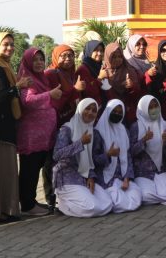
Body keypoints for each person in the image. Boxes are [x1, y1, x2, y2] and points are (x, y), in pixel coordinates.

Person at [0, 32, 30, 221]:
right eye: (5, 44)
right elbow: (0, 96)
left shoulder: (5, 67)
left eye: (11, 45)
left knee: (4, 169)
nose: (9, 48)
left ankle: (3, 209)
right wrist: (18, 86)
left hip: (4, 126)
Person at [52, 98, 114, 217]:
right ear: (80, 109)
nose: (90, 113)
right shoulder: (66, 129)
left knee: (108, 203)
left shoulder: (93, 133)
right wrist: (80, 143)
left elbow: (92, 160)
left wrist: (91, 175)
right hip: (67, 177)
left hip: (84, 177)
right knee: (92, 207)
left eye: (94, 110)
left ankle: (69, 203)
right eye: (87, 109)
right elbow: (57, 155)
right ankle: (62, 205)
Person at [16, 48, 58, 217]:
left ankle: (31, 201)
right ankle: (27, 205)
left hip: (42, 137)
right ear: (28, 62)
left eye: (41, 59)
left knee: (34, 169)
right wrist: (50, 94)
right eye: (35, 60)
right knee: (29, 171)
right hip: (31, 137)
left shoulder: (41, 79)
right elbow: (28, 101)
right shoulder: (28, 79)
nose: (39, 62)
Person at [44, 44, 85, 209]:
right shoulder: (51, 74)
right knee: (51, 161)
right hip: (56, 124)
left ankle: (63, 193)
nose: (67, 59)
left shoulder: (72, 75)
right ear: (55, 57)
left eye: (70, 56)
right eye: (63, 56)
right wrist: (74, 91)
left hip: (71, 122)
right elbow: (55, 102)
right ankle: (50, 197)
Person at [93, 100, 142, 213]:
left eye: (120, 112)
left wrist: (126, 178)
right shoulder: (98, 132)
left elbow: (128, 156)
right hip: (106, 177)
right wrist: (108, 154)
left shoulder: (123, 130)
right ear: (108, 111)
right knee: (120, 201)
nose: (117, 114)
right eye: (114, 111)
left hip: (121, 177)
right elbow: (94, 160)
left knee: (136, 194)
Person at [130, 95, 166, 205]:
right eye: (150, 107)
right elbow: (131, 152)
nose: (154, 109)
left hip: (160, 170)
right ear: (143, 109)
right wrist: (144, 140)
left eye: (156, 106)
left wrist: (165, 143)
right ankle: (159, 197)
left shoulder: (164, 125)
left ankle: (160, 197)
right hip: (143, 172)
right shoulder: (136, 126)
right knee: (145, 196)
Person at [103, 42, 145, 125]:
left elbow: (138, 93)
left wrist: (131, 86)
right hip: (108, 113)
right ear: (108, 57)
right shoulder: (103, 72)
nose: (117, 59)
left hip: (127, 114)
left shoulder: (129, 70)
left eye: (120, 56)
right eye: (114, 57)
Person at [76, 40, 113, 112]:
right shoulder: (83, 69)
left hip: (102, 107)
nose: (99, 53)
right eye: (96, 50)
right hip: (89, 111)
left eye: (101, 50)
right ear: (89, 51)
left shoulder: (99, 66)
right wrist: (99, 78)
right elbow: (87, 92)